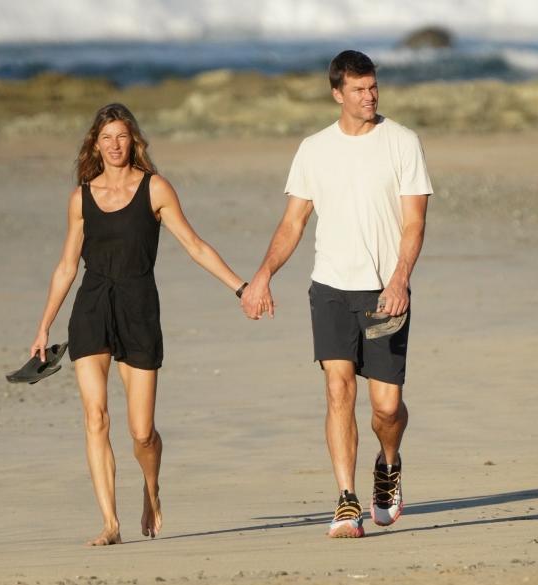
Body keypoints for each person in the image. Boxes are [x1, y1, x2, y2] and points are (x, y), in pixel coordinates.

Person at [29, 103, 246, 546]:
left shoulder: (155, 189)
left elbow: (195, 245)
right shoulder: (81, 198)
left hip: (139, 306)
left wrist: (241, 288)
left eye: (122, 137)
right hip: (91, 307)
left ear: (134, 142)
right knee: (96, 417)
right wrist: (44, 327)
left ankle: (152, 491)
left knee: (142, 432)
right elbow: (67, 266)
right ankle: (110, 522)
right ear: (95, 144)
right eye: (105, 138)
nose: (114, 145)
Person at [241, 50, 433, 538]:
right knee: (338, 389)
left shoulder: (403, 143)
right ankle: (346, 499)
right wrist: (263, 274)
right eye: (358, 90)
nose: (369, 97)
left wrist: (400, 278)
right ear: (337, 93)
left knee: (386, 408)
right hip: (330, 288)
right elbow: (293, 223)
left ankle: (388, 464)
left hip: (384, 291)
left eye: (373, 88)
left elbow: (414, 223)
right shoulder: (314, 149)